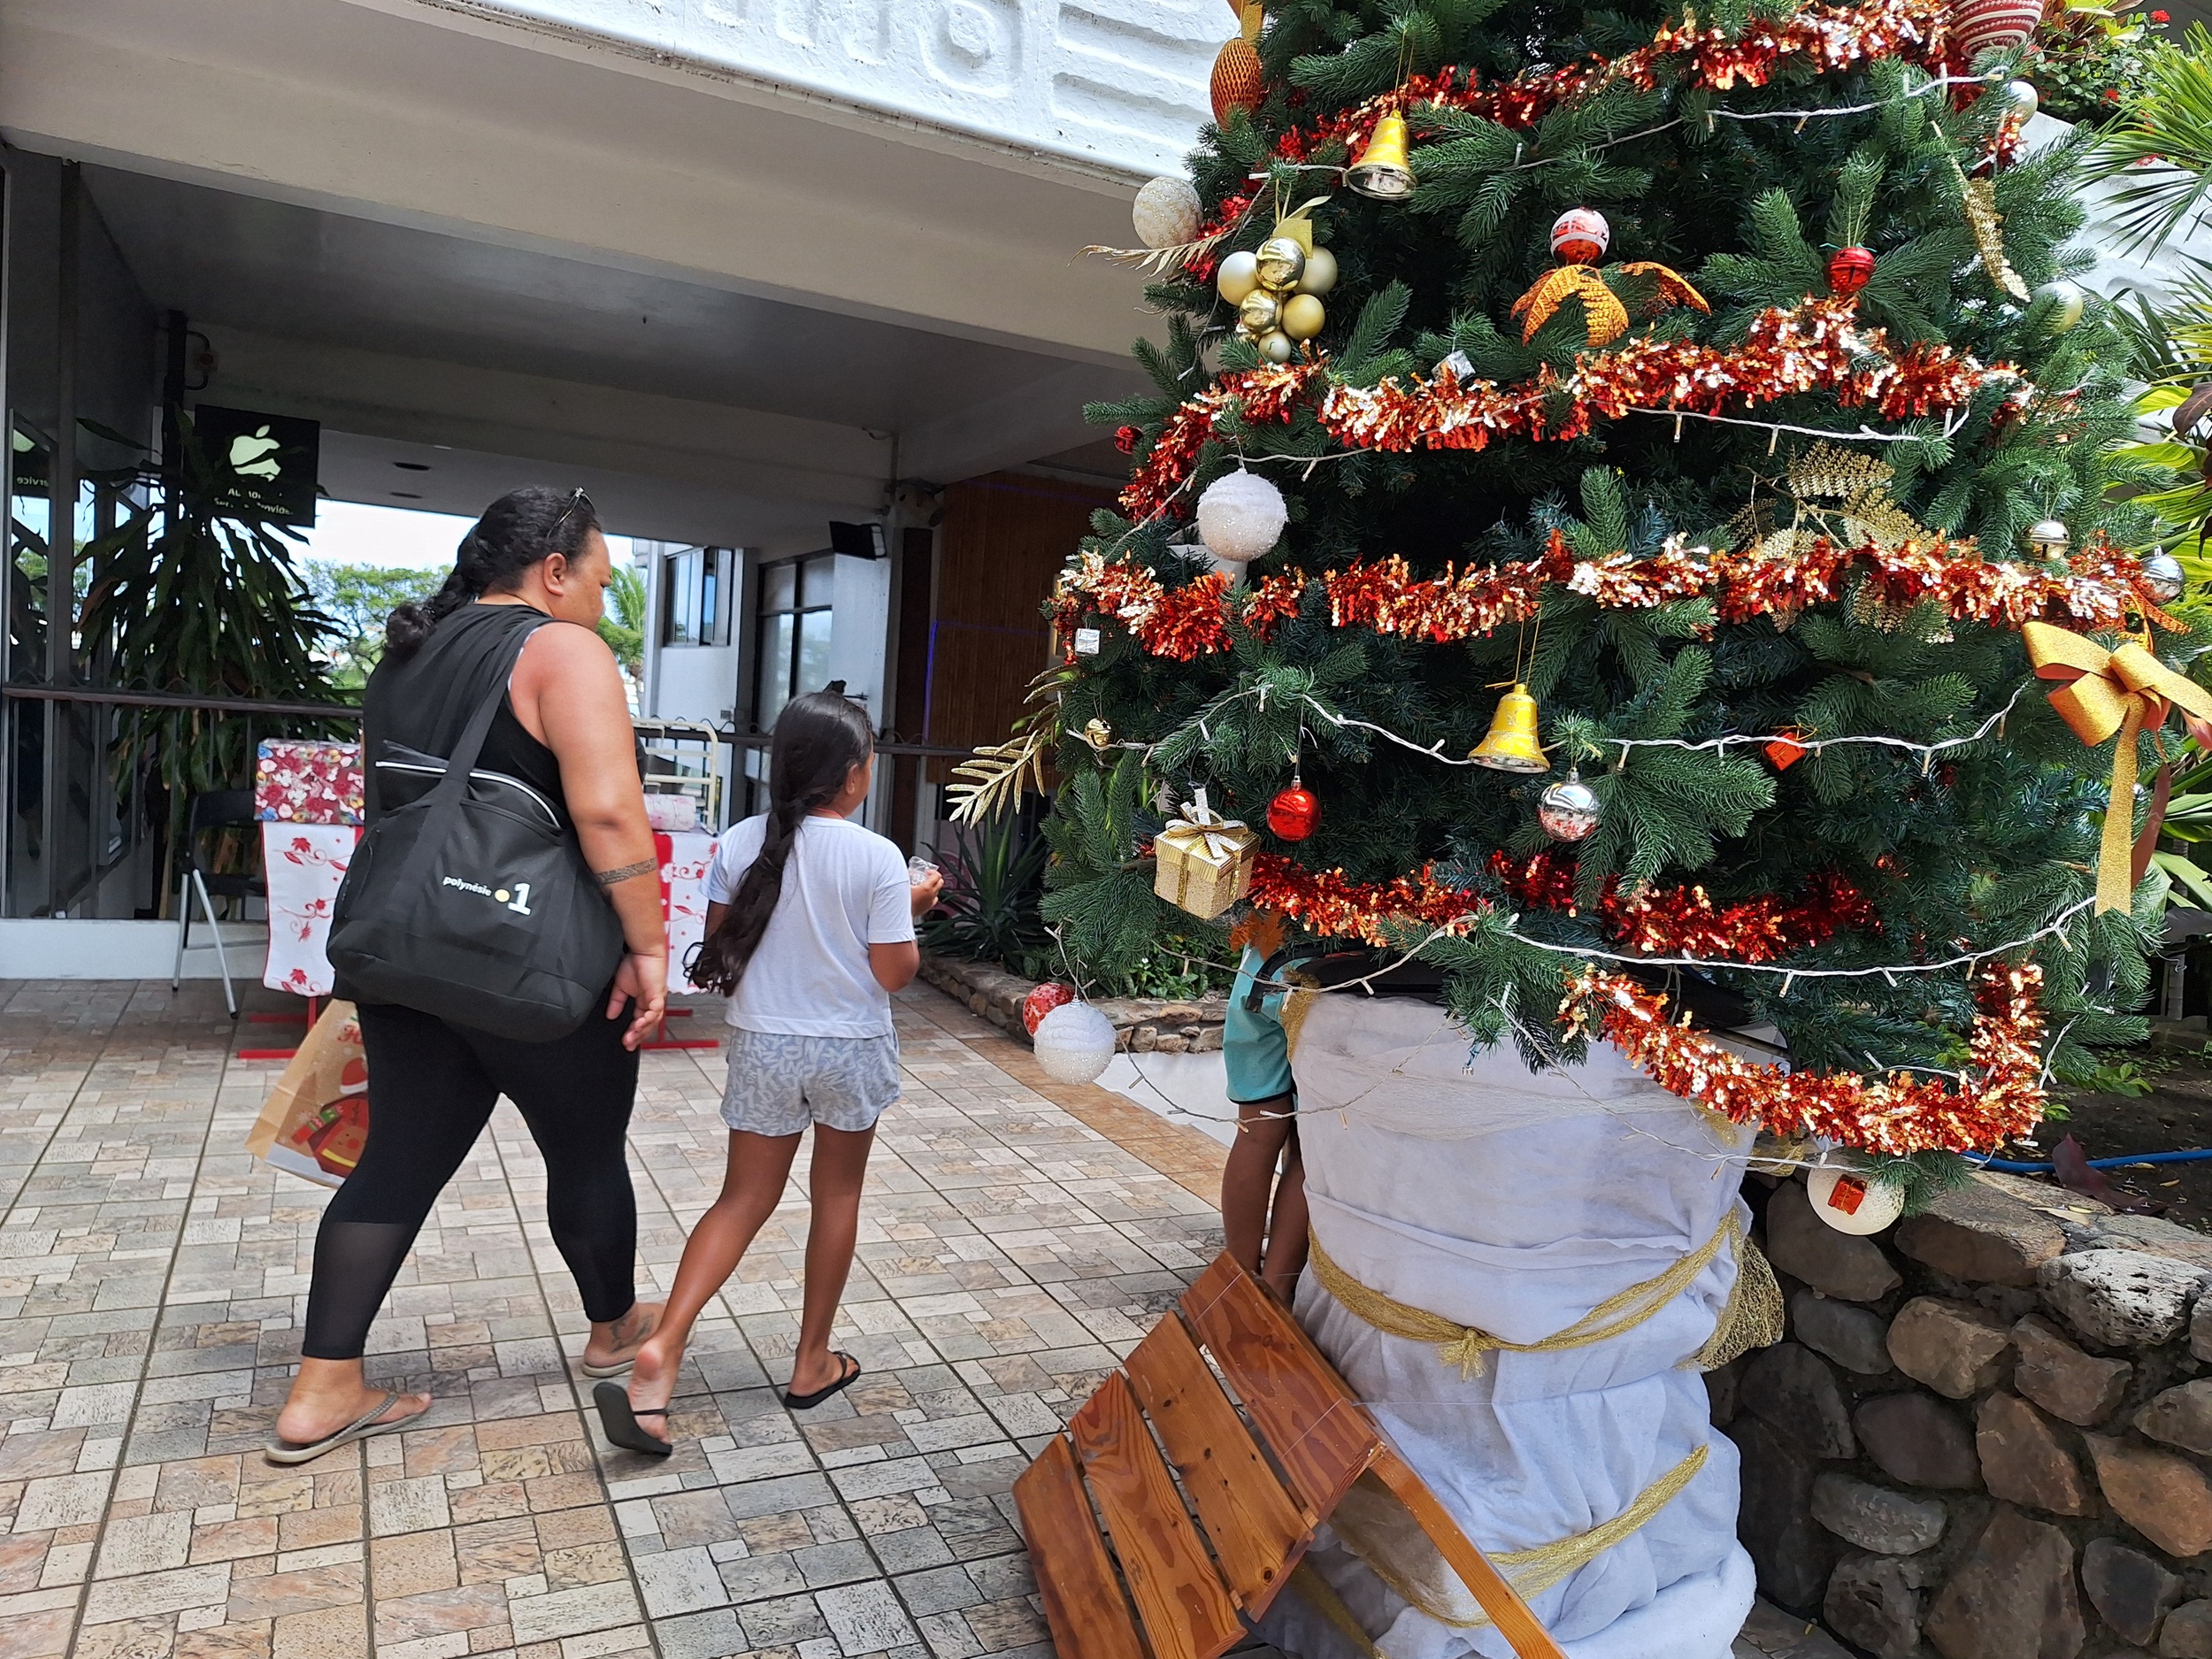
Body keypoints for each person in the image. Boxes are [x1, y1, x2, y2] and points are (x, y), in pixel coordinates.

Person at [269, 487, 668, 1464]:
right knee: (584, 1150)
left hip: (408, 950)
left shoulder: (407, 653)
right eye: (601, 583)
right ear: (553, 570)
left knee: (397, 1158)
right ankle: (613, 1330)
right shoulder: (562, 651)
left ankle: (323, 1389)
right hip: (526, 957)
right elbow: (610, 817)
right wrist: (649, 948)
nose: (602, 607)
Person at [594, 687, 940, 1455]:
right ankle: (811, 1361)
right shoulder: (878, 857)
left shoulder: (739, 843)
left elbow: (724, 959)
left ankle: (665, 1347)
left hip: (764, 1045)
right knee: (836, 1195)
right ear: (853, 773)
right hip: (848, 1046)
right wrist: (908, 907)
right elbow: (894, 975)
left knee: (742, 1198)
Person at [1220, 929, 1309, 1300]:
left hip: (1260, 968)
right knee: (1311, 1150)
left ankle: (1237, 1273)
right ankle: (1277, 1286)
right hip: (1322, 983)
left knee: (1254, 1135)